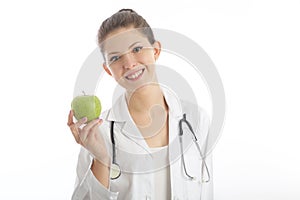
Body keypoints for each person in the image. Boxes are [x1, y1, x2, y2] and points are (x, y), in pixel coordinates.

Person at [68, 9, 213, 200]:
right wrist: (101, 160)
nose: (129, 63)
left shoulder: (196, 119)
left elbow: (207, 191)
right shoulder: (98, 132)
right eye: (115, 57)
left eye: (136, 49)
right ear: (108, 69)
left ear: (156, 50)